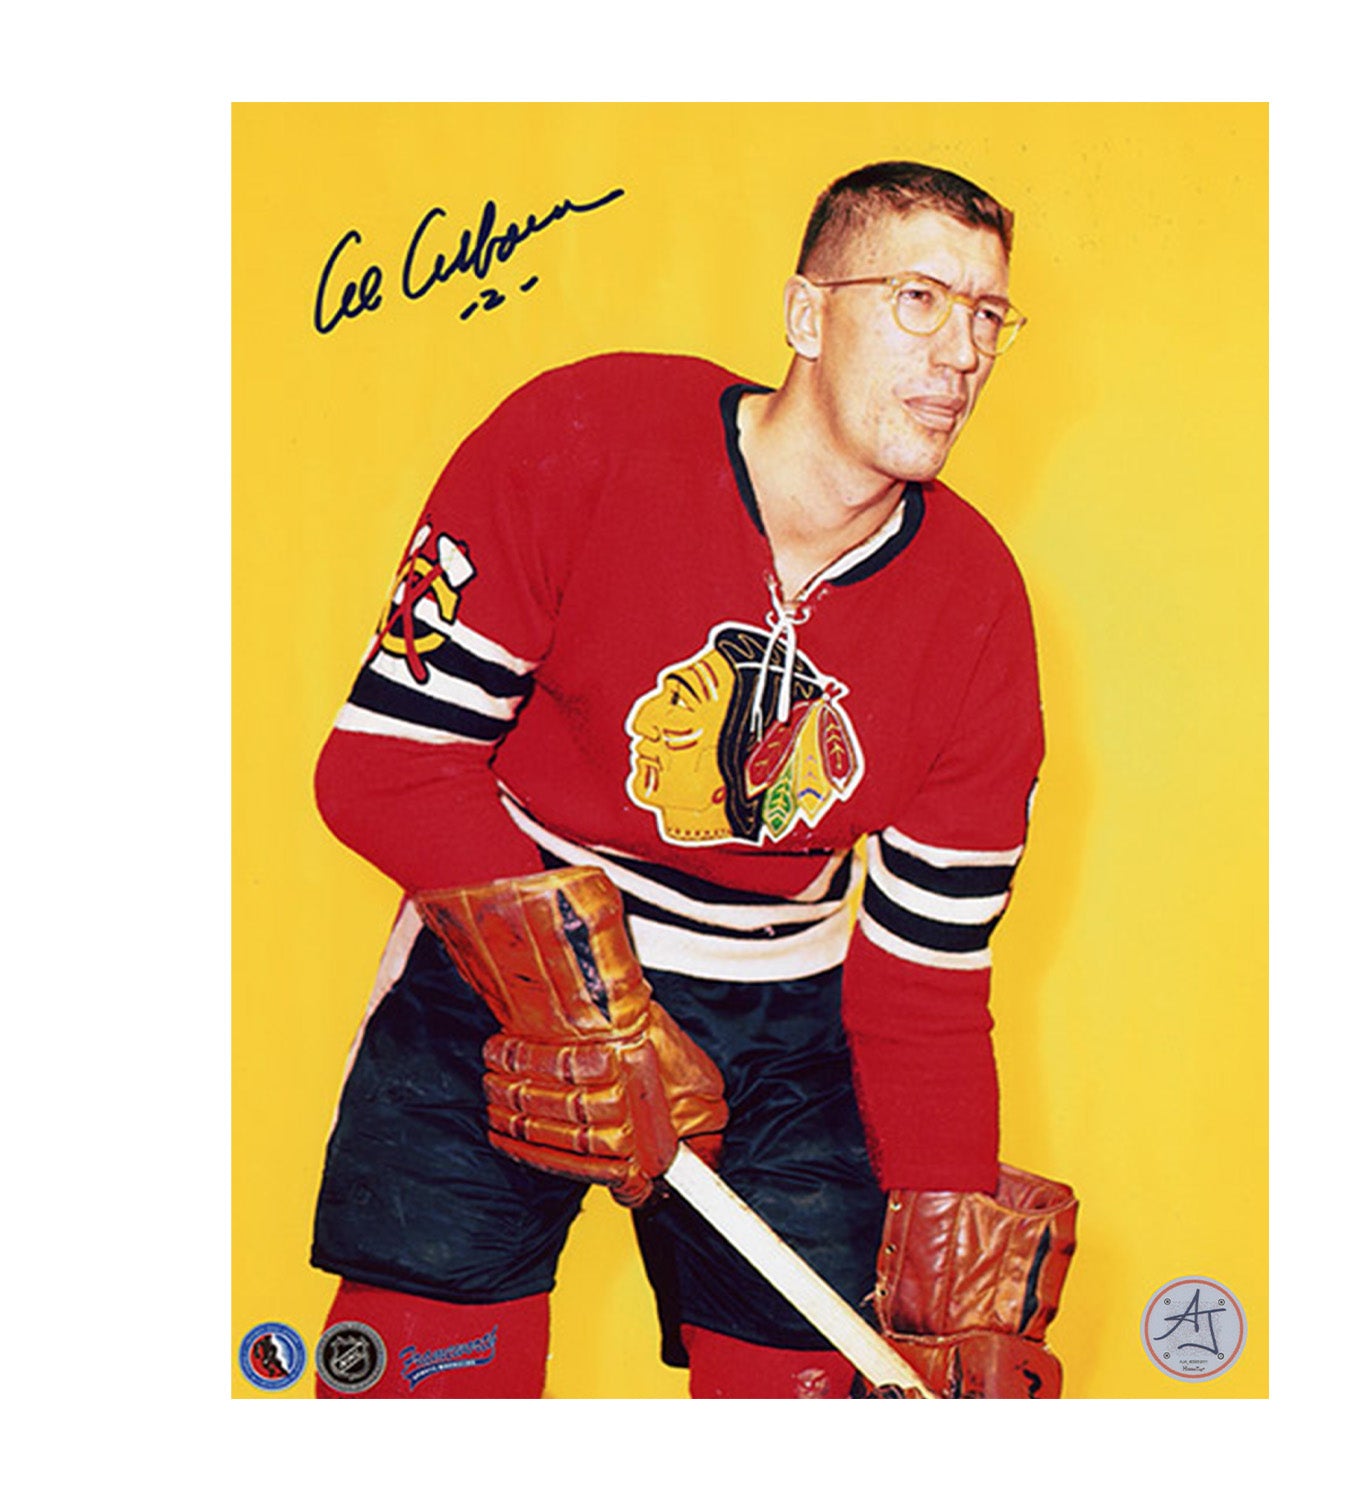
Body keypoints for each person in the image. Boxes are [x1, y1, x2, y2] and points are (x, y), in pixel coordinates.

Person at [309, 160, 1076, 1400]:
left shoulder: (978, 606)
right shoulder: (584, 437)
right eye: (921, 300)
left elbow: (928, 972)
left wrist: (945, 1241)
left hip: (784, 1024)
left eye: (989, 315)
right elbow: (384, 767)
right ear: (808, 315)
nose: (962, 354)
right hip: (502, 966)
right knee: (422, 1398)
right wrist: (591, 1011)